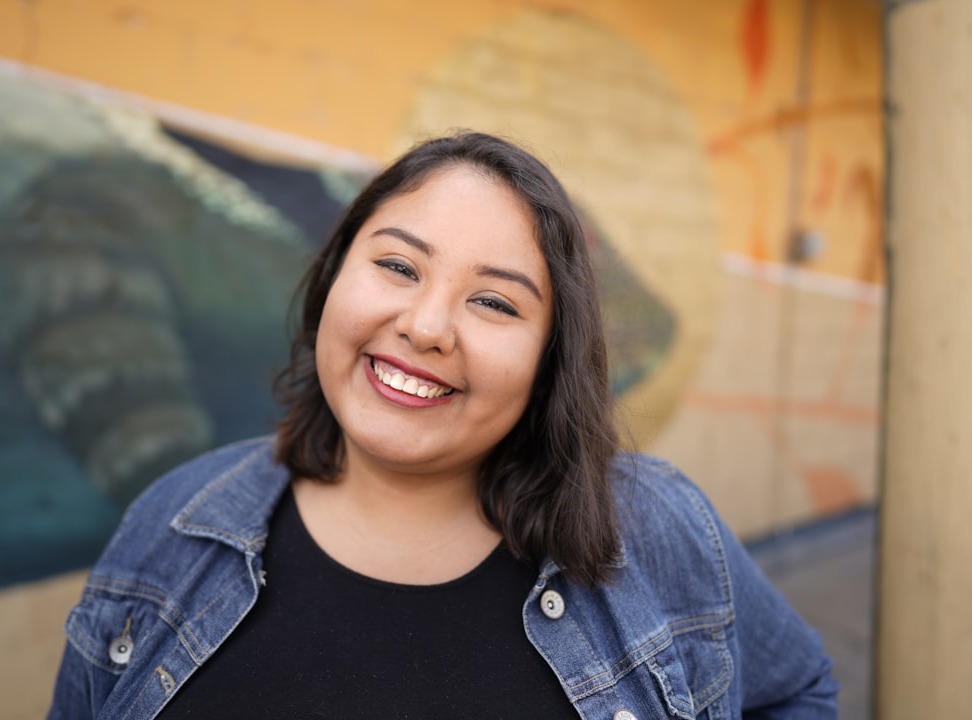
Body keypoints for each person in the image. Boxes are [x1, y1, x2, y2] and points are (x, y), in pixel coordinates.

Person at [47, 132, 839, 719]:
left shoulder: (659, 531)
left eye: (494, 302)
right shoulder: (172, 529)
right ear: (331, 282)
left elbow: (799, 689)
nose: (427, 326)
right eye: (396, 266)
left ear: (549, 359)